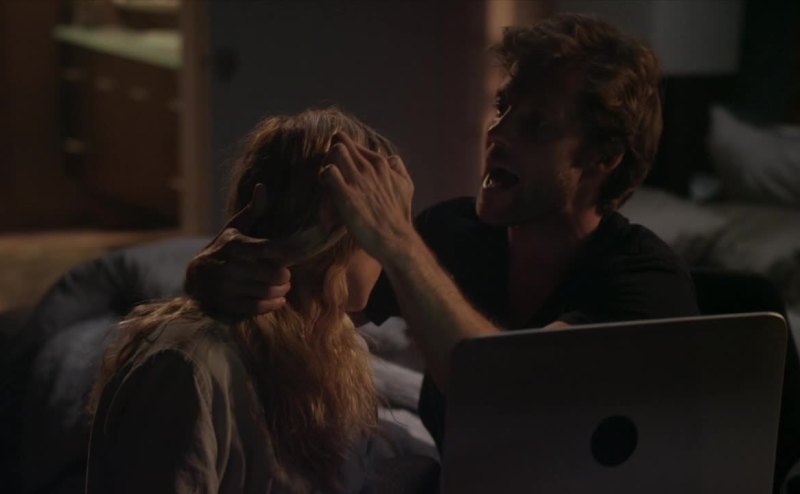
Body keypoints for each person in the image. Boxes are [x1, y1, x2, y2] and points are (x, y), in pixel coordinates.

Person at [185, 14, 699, 453]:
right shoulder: (455, 232)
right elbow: (313, 302)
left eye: (536, 125)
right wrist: (218, 279)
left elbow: (508, 396)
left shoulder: (647, 284)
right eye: (502, 108)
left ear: (603, 159)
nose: (497, 133)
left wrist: (399, 243)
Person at [86, 108, 397, 494]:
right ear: (335, 224)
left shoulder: (338, 345)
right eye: (384, 218)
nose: (395, 240)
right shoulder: (188, 368)